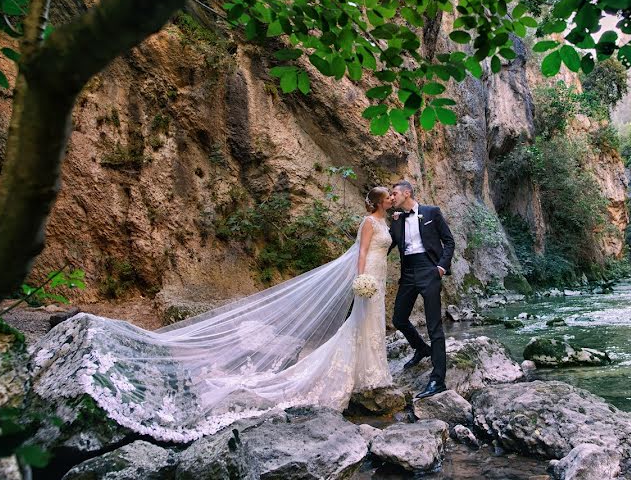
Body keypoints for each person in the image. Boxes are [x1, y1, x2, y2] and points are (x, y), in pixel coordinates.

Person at [28, 187, 396, 442]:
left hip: (379, 277)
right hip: (369, 275)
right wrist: (361, 277)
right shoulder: (368, 223)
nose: (392, 199)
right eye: (389, 196)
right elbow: (361, 253)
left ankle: (371, 372)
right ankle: (357, 374)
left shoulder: (388, 223)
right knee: (359, 324)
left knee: (371, 325)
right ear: (379, 202)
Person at [389, 180, 455, 399]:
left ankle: (438, 380)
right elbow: (385, 245)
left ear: (407, 193)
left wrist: (441, 268)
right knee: (398, 318)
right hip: (408, 272)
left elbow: (449, 241)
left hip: (429, 270)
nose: (392, 197)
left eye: (395, 193)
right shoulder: (396, 220)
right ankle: (421, 348)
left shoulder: (431, 212)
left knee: (434, 326)